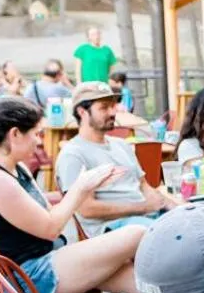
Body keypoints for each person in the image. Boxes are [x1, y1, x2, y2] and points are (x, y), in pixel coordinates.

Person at [0, 96, 152, 293]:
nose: (40, 141)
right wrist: (81, 188)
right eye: (36, 134)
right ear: (15, 134)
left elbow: (48, 213)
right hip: (26, 278)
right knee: (138, 232)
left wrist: (84, 188)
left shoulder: (14, 168)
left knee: (144, 284)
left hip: (47, 262)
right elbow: (50, 228)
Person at [54, 83, 178, 235]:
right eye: (104, 108)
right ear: (82, 112)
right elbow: (86, 209)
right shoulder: (73, 154)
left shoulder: (122, 145)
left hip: (146, 218)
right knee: (171, 235)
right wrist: (144, 207)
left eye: (113, 106)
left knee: (192, 224)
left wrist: (173, 207)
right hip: (114, 228)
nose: (112, 112)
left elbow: (144, 186)